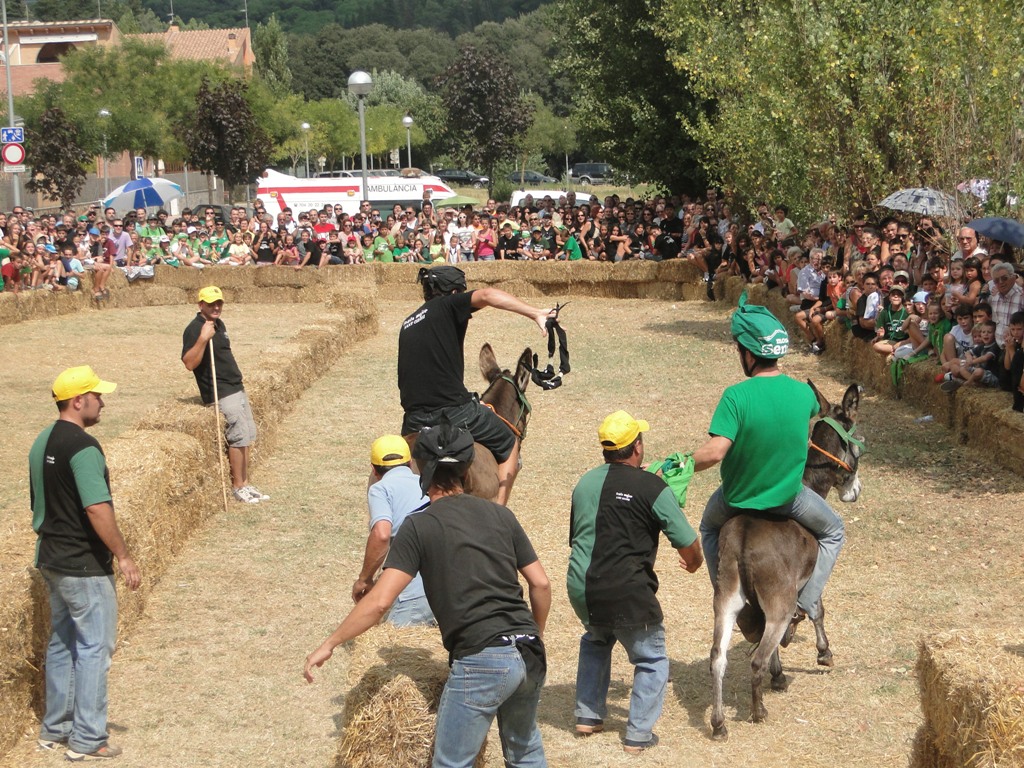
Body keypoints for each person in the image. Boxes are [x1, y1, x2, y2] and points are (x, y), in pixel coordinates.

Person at [305, 423, 551, 768]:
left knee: (451, 763)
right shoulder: (501, 515)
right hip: (528, 652)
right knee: (524, 753)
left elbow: (379, 602)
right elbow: (540, 584)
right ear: (467, 468)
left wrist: (330, 643)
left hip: (482, 657)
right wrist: (535, 634)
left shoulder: (419, 525)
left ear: (421, 467)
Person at [692, 293, 845, 633]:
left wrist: (681, 464)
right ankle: (805, 602)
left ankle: (724, 589)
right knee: (834, 531)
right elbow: (806, 423)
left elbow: (716, 451)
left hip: (736, 498)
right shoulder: (804, 395)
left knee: (708, 528)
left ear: (748, 353)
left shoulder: (736, 396)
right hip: (788, 497)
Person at [567, 411, 703, 754]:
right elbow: (687, 541)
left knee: (597, 638)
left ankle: (588, 715)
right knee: (651, 659)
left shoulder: (585, 482)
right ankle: (638, 735)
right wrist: (694, 563)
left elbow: (577, 538)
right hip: (627, 589)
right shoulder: (653, 487)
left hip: (583, 585)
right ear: (637, 447)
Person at [30, 366, 142, 762]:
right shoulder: (84, 447)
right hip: (83, 565)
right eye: (97, 395)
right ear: (79, 401)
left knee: (62, 642)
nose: (103, 401)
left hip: (51, 559)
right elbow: (96, 507)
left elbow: (39, 506)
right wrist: (123, 556)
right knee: (95, 648)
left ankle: (55, 729)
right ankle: (89, 737)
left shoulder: (41, 440)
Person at [397, 266, 551, 506]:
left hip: (412, 421)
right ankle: (500, 511)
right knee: (510, 442)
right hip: (452, 412)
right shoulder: (448, 305)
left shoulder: (408, 323)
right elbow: (488, 295)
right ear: (455, 291)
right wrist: (535, 314)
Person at [181, 286, 269, 504]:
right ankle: (238, 487)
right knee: (237, 437)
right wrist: (202, 339)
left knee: (247, 434)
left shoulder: (219, 324)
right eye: (211, 304)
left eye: (219, 303)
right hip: (220, 391)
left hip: (235, 386)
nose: (216, 307)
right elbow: (189, 363)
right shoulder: (194, 329)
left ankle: (246, 483)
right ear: (200, 305)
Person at [351, 435, 435, 627]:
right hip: (449, 589)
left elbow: (381, 535)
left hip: (415, 594)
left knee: (393, 645)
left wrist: (364, 579)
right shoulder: (430, 484)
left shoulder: (381, 489)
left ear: (374, 469)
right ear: (410, 462)